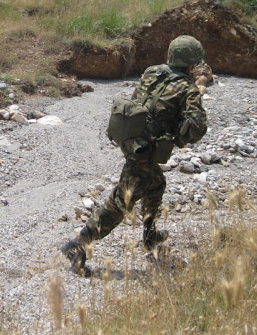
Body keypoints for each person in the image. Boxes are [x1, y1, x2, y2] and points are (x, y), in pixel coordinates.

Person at [60, 35, 208, 276]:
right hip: (145, 149)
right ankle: (78, 246)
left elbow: (143, 100)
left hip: (131, 139)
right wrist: (182, 129)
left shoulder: (152, 72)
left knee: (157, 183)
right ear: (192, 63)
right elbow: (196, 127)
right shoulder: (187, 88)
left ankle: (150, 236)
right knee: (121, 201)